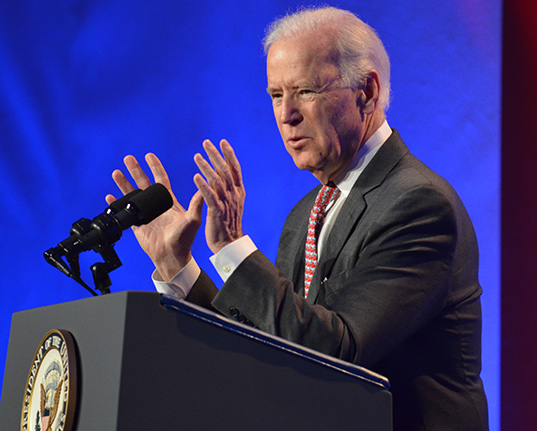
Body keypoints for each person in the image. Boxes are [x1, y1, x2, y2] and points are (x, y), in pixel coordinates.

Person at [107, 6, 488, 431]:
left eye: (305, 91)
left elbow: (338, 353)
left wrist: (232, 246)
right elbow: (267, 347)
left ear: (367, 91)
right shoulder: (306, 212)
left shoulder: (418, 205)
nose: (286, 114)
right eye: (275, 95)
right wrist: (177, 266)